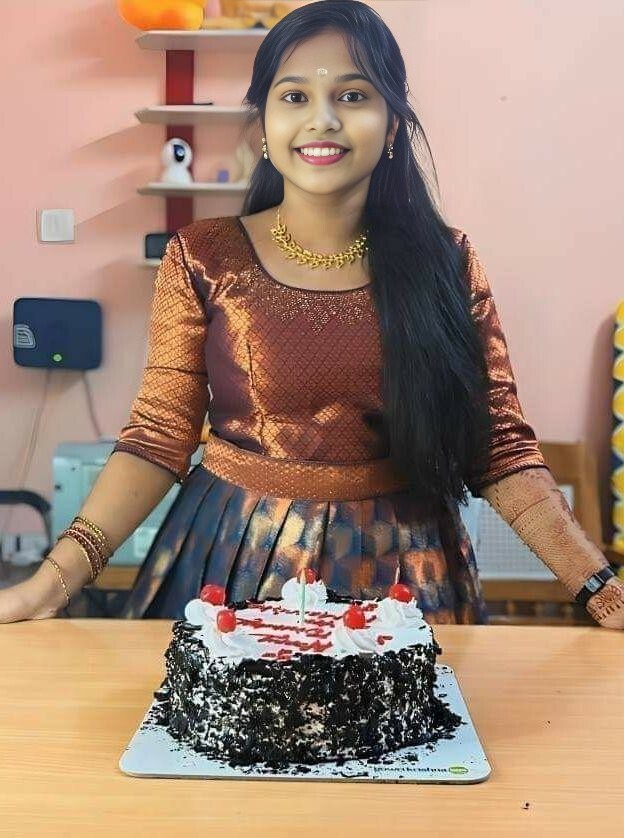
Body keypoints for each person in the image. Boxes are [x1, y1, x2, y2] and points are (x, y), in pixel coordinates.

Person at [1, 0, 622, 628]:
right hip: (233, 560)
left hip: (406, 573)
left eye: (352, 96)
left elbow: (498, 447)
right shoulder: (204, 257)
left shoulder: (447, 262)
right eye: (294, 97)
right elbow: (157, 438)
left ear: (393, 125)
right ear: (264, 126)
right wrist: (51, 584)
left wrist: (600, 589)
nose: (321, 119)